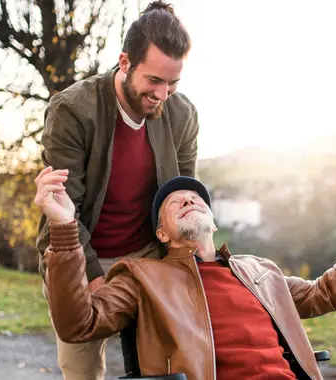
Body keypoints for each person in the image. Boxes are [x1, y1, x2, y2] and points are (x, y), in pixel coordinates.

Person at [35, 168, 336, 380]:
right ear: (162, 234)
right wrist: (65, 228)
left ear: (213, 223)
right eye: (173, 203)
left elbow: (323, 293)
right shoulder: (142, 277)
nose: (187, 199)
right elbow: (78, 325)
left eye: (196, 198)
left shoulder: (258, 271)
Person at [34, 2, 198, 379]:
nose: (163, 94)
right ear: (125, 62)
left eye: (173, 83)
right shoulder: (72, 110)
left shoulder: (182, 114)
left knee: (162, 368)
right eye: (153, 81)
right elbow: (66, 207)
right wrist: (93, 277)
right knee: (82, 369)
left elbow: (185, 196)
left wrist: (194, 259)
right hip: (76, 251)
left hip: (145, 253)